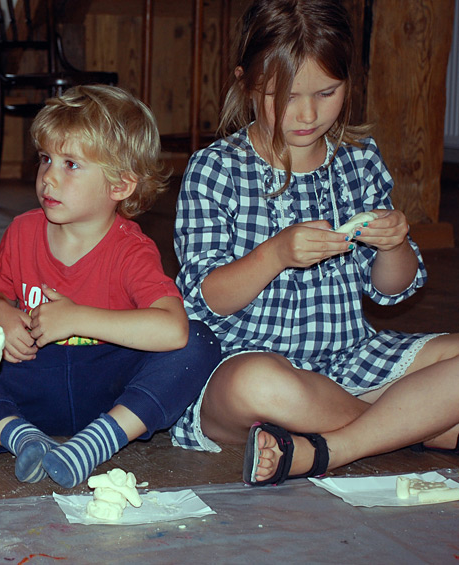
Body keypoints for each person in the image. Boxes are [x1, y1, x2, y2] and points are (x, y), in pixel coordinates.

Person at [170, 0, 459, 486]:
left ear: (349, 82)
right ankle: (415, 425)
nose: (307, 114)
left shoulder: (358, 161)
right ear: (246, 83)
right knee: (256, 384)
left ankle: (328, 449)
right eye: (283, 96)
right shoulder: (216, 169)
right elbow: (206, 298)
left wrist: (393, 245)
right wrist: (275, 254)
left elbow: (391, 290)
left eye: (327, 93)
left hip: (350, 360)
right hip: (247, 364)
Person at [0, 85, 221, 489]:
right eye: (46, 159)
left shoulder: (131, 250)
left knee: (199, 342)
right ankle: (23, 438)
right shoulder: (23, 231)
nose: (49, 177)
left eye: (71, 165)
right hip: (33, 375)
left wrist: (77, 318)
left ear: (120, 186)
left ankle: (97, 442)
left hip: (109, 390)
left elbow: (173, 328)